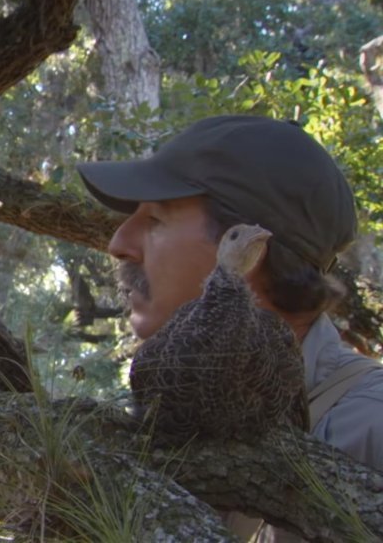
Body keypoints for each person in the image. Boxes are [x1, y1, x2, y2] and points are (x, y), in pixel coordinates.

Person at [76, 115, 383, 541]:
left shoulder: (370, 430)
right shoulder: (165, 433)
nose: (118, 244)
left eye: (156, 220)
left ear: (251, 253)